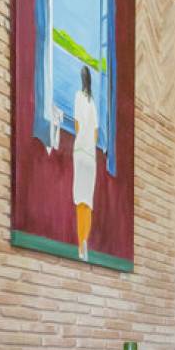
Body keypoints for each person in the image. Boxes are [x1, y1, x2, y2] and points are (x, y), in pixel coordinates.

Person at [72, 66, 99, 260]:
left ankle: (80, 246)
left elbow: (76, 124)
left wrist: (81, 139)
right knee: (88, 202)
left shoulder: (77, 96)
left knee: (79, 200)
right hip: (90, 155)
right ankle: (85, 241)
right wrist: (90, 145)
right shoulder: (93, 104)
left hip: (80, 151)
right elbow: (95, 133)